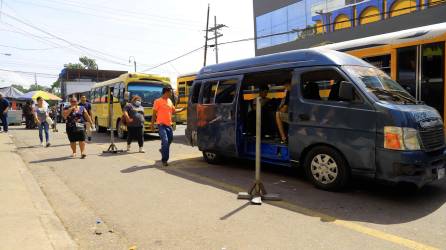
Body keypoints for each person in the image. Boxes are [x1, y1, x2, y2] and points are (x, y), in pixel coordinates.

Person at [151, 87, 185, 166]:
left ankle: (163, 150)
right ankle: (165, 160)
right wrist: (152, 125)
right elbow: (153, 114)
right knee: (165, 141)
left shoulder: (170, 101)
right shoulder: (157, 101)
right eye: (170, 92)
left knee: (170, 140)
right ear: (166, 92)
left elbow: (174, 111)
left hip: (169, 125)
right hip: (161, 125)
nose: (171, 94)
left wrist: (183, 109)